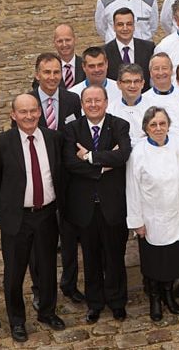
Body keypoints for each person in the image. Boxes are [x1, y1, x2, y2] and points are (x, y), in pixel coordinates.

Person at [0, 94, 66, 342]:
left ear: (40, 112)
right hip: (17, 218)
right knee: (14, 273)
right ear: (13, 115)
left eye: (33, 110)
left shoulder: (53, 138)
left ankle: (47, 311)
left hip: (46, 215)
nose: (29, 116)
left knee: (47, 269)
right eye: (23, 112)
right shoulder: (1, 143)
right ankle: (17, 321)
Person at [126, 107, 179, 322]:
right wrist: (137, 222)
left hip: (176, 214)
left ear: (169, 125)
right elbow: (132, 189)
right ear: (145, 128)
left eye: (162, 124)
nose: (158, 128)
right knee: (153, 262)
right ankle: (154, 297)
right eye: (153, 125)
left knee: (173, 260)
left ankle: (169, 294)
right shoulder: (139, 153)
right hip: (151, 218)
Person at [62, 86, 132, 323]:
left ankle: (117, 301)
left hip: (112, 205)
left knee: (115, 256)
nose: (93, 105)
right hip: (85, 207)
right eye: (88, 101)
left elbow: (123, 155)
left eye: (97, 100)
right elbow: (70, 163)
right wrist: (104, 166)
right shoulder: (72, 129)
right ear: (82, 104)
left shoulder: (119, 125)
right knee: (90, 257)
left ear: (106, 102)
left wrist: (91, 158)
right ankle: (95, 303)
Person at [26, 53, 83, 306]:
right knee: (40, 241)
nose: (51, 77)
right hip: (39, 181)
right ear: (37, 75)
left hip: (68, 180)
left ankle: (69, 283)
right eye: (46, 72)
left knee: (69, 238)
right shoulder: (27, 103)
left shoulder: (72, 101)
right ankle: (40, 287)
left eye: (56, 72)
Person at [103, 8, 156, 88]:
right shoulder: (104, 52)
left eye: (129, 24)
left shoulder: (149, 48)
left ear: (134, 26)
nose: (125, 28)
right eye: (120, 24)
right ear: (114, 27)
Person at [106, 64, 150, 146]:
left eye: (136, 81)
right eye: (128, 81)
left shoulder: (153, 108)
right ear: (119, 84)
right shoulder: (111, 110)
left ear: (143, 83)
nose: (132, 86)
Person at [52, 24, 85, 89]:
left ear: (75, 40)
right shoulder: (48, 69)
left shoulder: (86, 65)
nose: (64, 44)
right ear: (54, 43)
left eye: (67, 40)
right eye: (60, 41)